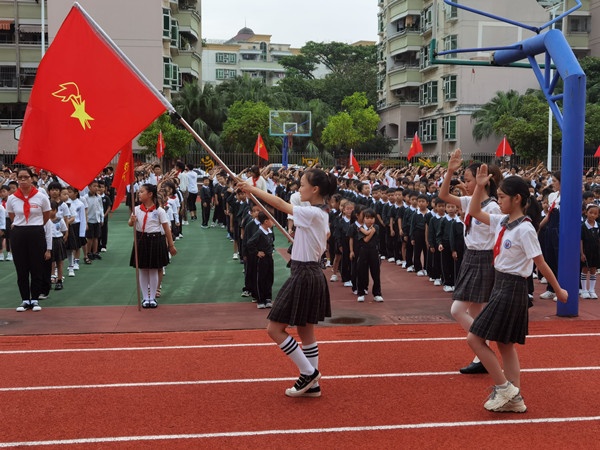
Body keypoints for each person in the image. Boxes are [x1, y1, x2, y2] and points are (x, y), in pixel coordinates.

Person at [467, 165, 567, 413]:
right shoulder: (502, 221)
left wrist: (559, 290)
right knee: (505, 344)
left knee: (475, 338)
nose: (498, 200)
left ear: (517, 199)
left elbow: (540, 263)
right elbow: (473, 211)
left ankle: (505, 388)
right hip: (500, 284)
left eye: (502, 197)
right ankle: (515, 399)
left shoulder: (525, 229)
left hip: (512, 287)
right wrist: (480, 185)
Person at [237, 168, 335, 398]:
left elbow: (281, 205)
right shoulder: (320, 213)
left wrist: (252, 189)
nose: (299, 188)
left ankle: (308, 373)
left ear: (315, 189)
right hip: (311, 272)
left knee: (274, 328)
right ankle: (314, 383)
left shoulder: (313, 214)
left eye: (302, 185)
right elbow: (326, 235)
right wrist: (305, 237)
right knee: (305, 329)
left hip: (303, 273)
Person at [439, 149, 502, 375]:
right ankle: (481, 356)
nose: (464, 184)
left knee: (458, 309)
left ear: (482, 180)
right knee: (475, 311)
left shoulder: (493, 207)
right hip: (470, 256)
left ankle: (482, 348)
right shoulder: (469, 201)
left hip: (483, 258)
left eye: (467, 180)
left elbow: (497, 238)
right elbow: (444, 195)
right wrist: (449, 171)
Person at [6, 168, 51, 312]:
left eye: (26, 177)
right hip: (19, 232)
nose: (23, 180)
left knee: (36, 266)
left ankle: (35, 298)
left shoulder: (41, 196)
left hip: (36, 231)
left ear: (32, 179)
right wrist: (22, 226)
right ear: (17, 179)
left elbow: (46, 215)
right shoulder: (12, 198)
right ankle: (25, 299)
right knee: (21, 267)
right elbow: (12, 216)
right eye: (20, 177)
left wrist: (35, 226)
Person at [128, 183, 177, 308]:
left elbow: (166, 229)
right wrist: (131, 221)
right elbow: (130, 223)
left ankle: (152, 297)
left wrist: (171, 245)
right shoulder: (137, 209)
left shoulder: (159, 211)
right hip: (141, 239)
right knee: (143, 269)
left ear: (150, 194)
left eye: (142, 192)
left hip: (155, 239)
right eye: (139, 192)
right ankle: (145, 297)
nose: (139, 194)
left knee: (154, 269)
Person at [246, 211, 275, 309]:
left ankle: (268, 298)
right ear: (266, 221)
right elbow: (250, 243)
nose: (273, 221)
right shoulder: (259, 232)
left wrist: (272, 250)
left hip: (269, 258)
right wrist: (257, 252)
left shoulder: (270, 232)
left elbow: (271, 243)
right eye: (271, 219)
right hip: (261, 260)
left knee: (269, 278)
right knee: (261, 279)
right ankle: (260, 299)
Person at [356, 208, 384, 302]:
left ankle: (377, 293)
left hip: (374, 251)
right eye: (367, 218)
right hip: (363, 251)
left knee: (376, 273)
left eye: (372, 218)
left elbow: (369, 236)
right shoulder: (360, 228)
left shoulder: (376, 227)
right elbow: (365, 240)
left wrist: (366, 230)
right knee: (361, 272)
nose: (370, 220)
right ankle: (361, 293)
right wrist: (368, 231)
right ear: (363, 219)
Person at [580, 203, 600, 299]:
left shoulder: (598, 226)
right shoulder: (583, 226)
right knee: (584, 269)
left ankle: (592, 290)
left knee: (593, 270)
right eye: (590, 212)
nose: (592, 215)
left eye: (595, 213)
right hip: (586, 251)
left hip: (596, 251)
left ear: (598, 215)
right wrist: (582, 253)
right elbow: (581, 240)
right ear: (586, 213)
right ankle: (584, 290)